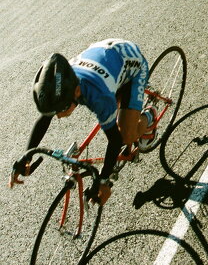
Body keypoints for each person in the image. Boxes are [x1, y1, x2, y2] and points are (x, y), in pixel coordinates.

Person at [8, 39, 155, 205]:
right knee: (114, 108)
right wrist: (26, 156)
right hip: (105, 57)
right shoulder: (65, 82)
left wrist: (103, 181)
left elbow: (115, 140)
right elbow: (44, 119)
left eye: (61, 109)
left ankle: (149, 116)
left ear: (77, 91)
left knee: (126, 136)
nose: (58, 116)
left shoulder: (98, 97)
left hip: (133, 64)